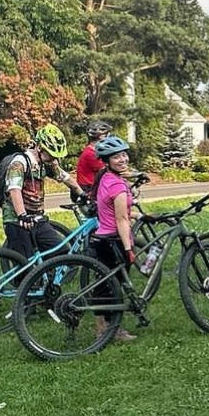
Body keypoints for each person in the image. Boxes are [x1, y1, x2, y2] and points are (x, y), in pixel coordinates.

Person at [0, 123, 85, 259]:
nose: (54, 159)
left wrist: (81, 193)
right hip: (17, 219)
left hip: (37, 218)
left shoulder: (45, 163)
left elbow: (64, 177)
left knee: (61, 252)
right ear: (39, 147)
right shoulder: (20, 162)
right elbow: (14, 190)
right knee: (26, 264)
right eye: (51, 155)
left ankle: (46, 278)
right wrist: (22, 215)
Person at [89, 134, 139, 343]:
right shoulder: (117, 186)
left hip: (102, 237)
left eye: (124, 155)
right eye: (116, 157)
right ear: (107, 160)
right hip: (114, 240)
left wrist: (140, 215)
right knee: (114, 288)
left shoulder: (105, 179)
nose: (123, 159)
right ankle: (109, 331)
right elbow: (120, 219)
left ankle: (103, 327)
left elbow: (113, 212)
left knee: (104, 284)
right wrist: (128, 249)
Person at [75, 120, 111, 196]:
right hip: (88, 190)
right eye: (107, 135)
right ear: (101, 136)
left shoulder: (93, 150)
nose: (109, 137)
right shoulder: (91, 153)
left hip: (92, 187)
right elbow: (109, 171)